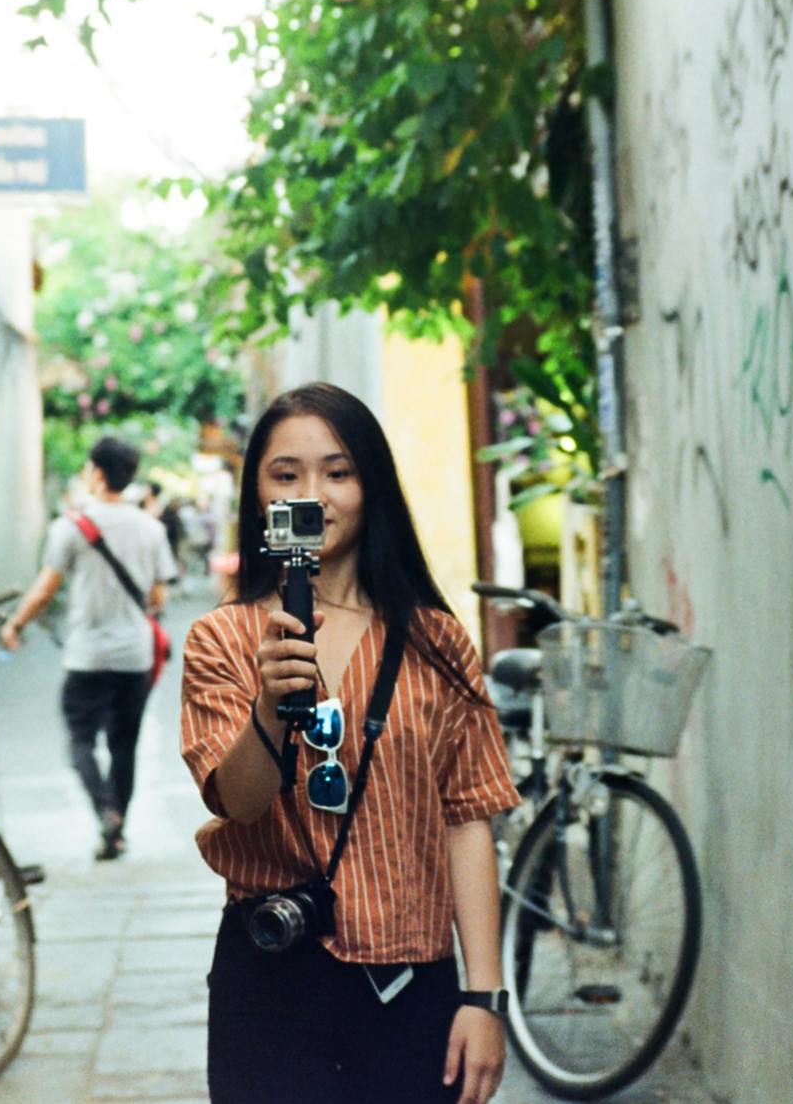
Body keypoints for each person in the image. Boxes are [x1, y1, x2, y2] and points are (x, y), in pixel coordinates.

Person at [179, 383, 518, 1104]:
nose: (316, 494)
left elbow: (468, 817)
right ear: (259, 497)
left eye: (338, 472)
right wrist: (271, 703)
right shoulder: (224, 640)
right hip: (270, 979)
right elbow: (238, 802)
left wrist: (483, 998)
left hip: (409, 984)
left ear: (373, 486)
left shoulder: (435, 641)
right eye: (286, 474)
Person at [2, 436, 179, 860]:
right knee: (124, 745)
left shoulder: (70, 528)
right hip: (134, 656)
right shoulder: (151, 529)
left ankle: (104, 809)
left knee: (80, 740)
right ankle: (117, 824)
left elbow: (46, 588)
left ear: (97, 474)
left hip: (87, 657)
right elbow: (159, 597)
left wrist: (16, 623)